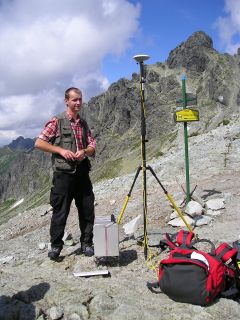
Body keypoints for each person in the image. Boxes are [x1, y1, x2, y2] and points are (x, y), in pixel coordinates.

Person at [35, 87, 96, 260]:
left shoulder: (83, 124)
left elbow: (92, 146)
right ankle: (55, 246)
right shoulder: (57, 121)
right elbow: (39, 142)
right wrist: (61, 151)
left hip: (82, 173)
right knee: (60, 211)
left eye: (80, 99)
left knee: (87, 209)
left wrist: (85, 151)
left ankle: (86, 243)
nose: (78, 103)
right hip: (63, 175)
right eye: (74, 100)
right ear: (66, 101)